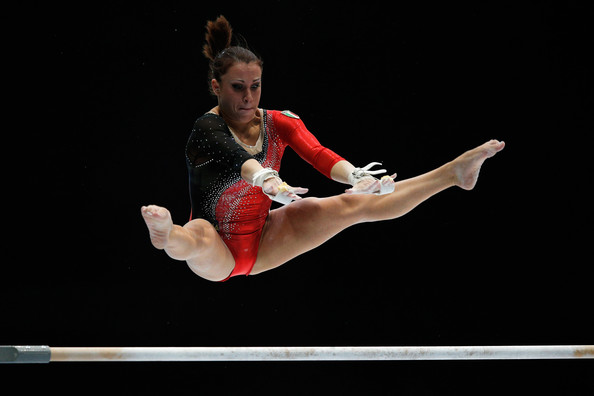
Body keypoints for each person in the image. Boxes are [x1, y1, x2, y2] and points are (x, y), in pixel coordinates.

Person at [141, 15, 505, 282]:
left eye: (256, 85)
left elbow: (317, 153)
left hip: (266, 236)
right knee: (199, 236)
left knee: (354, 203)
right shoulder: (207, 128)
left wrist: (356, 174)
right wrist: (269, 181)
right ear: (216, 87)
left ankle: (453, 174)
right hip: (218, 247)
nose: (249, 96)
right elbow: (240, 162)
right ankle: (167, 235)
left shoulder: (279, 122)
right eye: (238, 87)